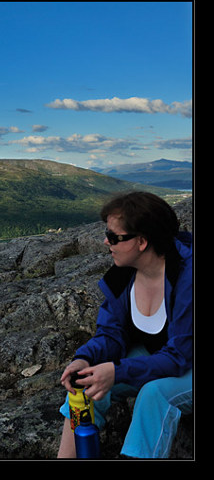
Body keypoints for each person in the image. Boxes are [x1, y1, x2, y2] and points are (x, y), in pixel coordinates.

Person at [57, 191, 194, 458]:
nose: (106, 242)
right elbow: (110, 333)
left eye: (113, 237)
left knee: (154, 395)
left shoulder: (186, 277)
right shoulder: (122, 276)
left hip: (186, 358)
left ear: (142, 241)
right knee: (85, 383)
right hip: (163, 355)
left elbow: (180, 355)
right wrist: (85, 358)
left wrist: (118, 372)